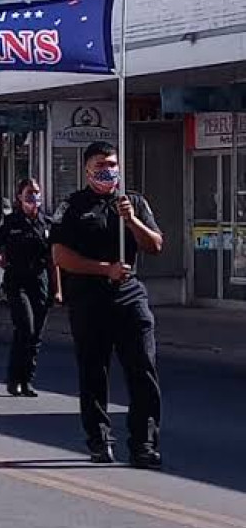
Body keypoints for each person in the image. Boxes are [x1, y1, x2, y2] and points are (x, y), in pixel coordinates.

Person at [51, 141, 164, 469]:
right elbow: (61, 255)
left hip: (129, 295)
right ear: (87, 169)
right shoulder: (73, 206)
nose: (107, 170)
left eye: (112, 164)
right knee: (94, 372)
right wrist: (104, 269)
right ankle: (100, 439)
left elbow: (156, 244)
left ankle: (144, 443)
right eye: (101, 165)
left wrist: (131, 221)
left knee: (143, 369)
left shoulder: (133, 202)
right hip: (89, 299)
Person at [0, 178, 60, 398]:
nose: (33, 197)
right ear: (19, 196)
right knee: (25, 328)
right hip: (17, 281)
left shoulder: (47, 224)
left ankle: (26, 380)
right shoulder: (11, 222)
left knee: (35, 335)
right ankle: (13, 379)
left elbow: (53, 259)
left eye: (36, 192)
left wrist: (58, 289)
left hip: (40, 282)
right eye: (29, 193)